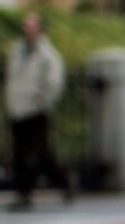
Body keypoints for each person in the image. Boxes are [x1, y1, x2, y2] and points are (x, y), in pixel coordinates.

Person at [4, 12, 73, 211]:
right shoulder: (17, 50)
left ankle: (62, 181)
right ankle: (23, 193)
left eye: (31, 25)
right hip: (18, 108)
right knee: (18, 153)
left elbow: (54, 83)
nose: (27, 29)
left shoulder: (47, 54)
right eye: (25, 25)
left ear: (40, 29)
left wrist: (42, 103)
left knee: (39, 154)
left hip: (36, 110)